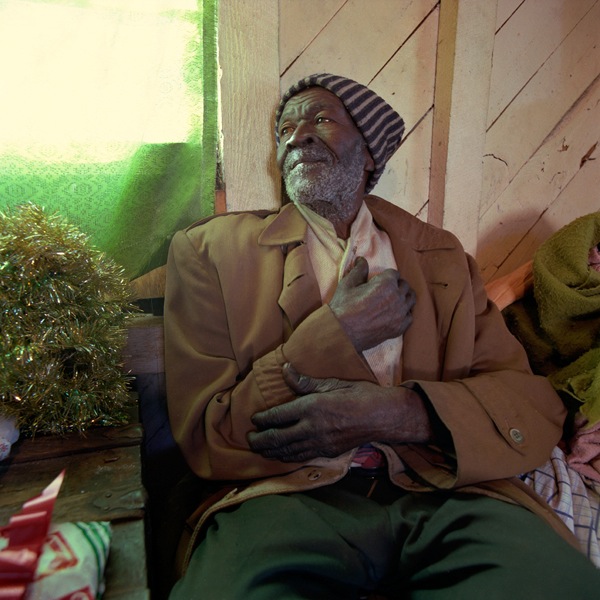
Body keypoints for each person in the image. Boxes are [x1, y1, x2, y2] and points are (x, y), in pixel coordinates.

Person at [164, 73, 600, 599]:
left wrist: (403, 414)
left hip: (445, 491)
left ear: (369, 154)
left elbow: (529, 404)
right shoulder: (210, 253)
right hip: (280, 498)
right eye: (285, 129)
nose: (297, 136)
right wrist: (335, 333)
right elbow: (205, 434)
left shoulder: (443, 257)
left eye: (321, 119)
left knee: (558, 587)